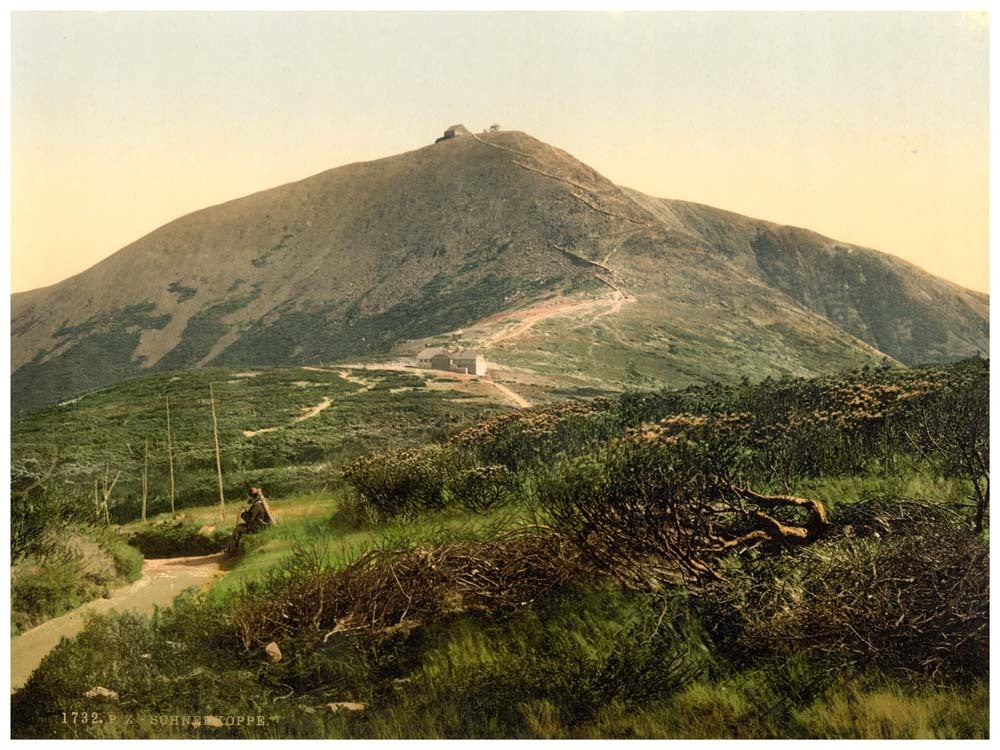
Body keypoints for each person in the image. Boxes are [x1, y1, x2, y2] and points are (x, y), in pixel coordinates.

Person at [228, 486, 273, 553]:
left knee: (237, 530)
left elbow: (249, 520)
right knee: (239, 526)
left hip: (257, 528)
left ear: (252, 497)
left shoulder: (256, 506)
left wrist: (243, 514)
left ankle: (232, 551)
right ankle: (235, 548)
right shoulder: (259, 504)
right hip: (258, 525)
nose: (248, 498)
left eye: (248, 497)